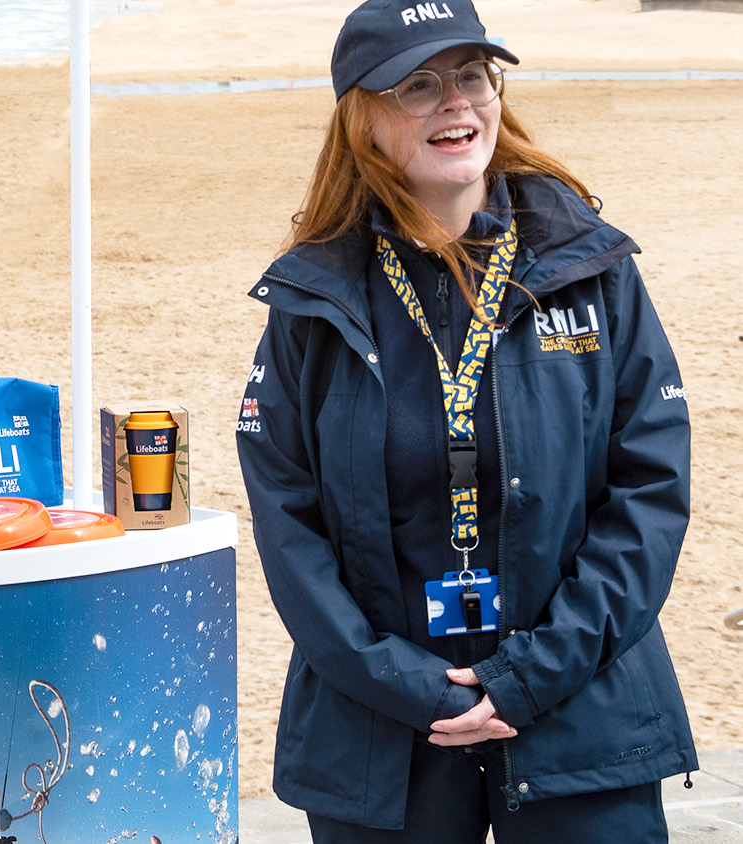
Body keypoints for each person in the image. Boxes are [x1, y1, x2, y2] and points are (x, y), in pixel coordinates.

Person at [235, 0, 694, 840]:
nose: (456, 101)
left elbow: (651, 490)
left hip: (579, 716)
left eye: (473, 76)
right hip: (383, 734)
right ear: (361, 120)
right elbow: (289, 528)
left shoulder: (589, 266)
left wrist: (527, 676)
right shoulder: (312, 301)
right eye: (418, 86)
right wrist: (414, 688)